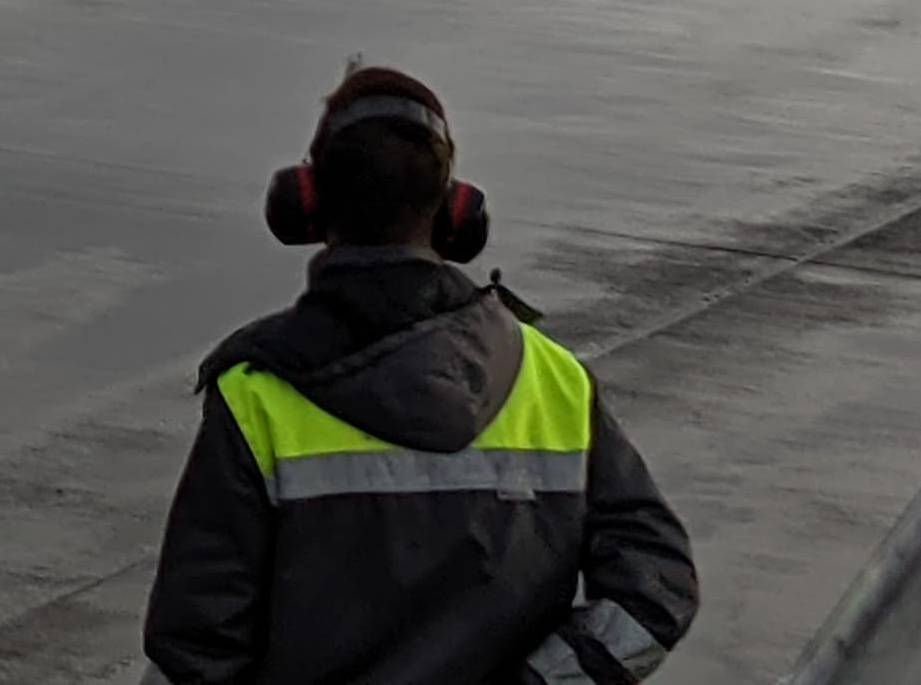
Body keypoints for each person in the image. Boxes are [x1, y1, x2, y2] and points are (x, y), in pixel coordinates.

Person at [142, 66, 696, 685]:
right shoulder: (553, 380)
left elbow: (194, 647)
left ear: (307, 201)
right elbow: (656, 587)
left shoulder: (256, 398)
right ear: (456, 213)